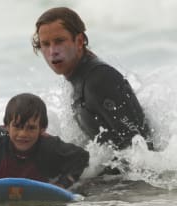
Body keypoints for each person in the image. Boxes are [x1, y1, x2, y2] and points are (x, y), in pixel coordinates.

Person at [32, 7, 153, 150]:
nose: (53, 52)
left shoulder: (100, 79)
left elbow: (142, 146)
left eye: (59, 41)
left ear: (79, 41)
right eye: (45, 44)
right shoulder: (77, 77)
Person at [0, 93, 89, 188]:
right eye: (17, 127)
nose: (23, 134)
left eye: (31, 128)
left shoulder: (49, 146)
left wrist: (62, 184)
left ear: (42, 130)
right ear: (6, 126)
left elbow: (81, 157)